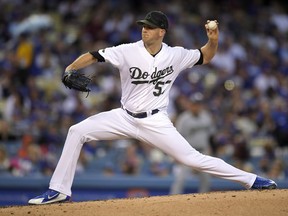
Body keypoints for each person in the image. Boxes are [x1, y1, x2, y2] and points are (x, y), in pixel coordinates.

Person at [28, 11, 277, 205]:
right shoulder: (127, 50)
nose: (144, 30)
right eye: (143, 26)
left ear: (162, 32)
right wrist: (70, 68)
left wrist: (213, 40)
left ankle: (253, 180)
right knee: (77, 131)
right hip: (123, 117)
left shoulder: (176, 55)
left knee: (192, 159)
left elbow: (206, 56)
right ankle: (59, 191)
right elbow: (94, 55)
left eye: (149, 27)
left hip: (155, 121)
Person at [169, 92, 214, 194]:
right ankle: (173, 199)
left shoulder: (206, 116)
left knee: (206, 179)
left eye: (199, 104)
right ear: (190, 105)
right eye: (195, 104)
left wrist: (210, 148)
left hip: (203, 151)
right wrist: (177, 154)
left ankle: (205, 200)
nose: (197, 106)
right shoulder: (184, 118)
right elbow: (177, 138)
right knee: (181, 179)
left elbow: (211, 135)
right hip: (188, 152)